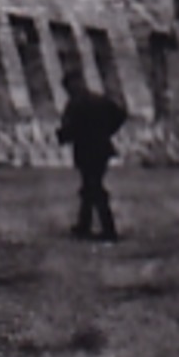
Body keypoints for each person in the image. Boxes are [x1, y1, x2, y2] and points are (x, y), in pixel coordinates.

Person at [56, 70, 126, 243]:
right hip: (102, 149)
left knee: (93, 188)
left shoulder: (74, 104)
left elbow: (69, 129)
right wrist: (107, 131)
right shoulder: (100, 99)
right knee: (90, 186)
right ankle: (84, 224)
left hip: (86, 150)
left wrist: (62, 136)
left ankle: (108, 229)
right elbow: (120, 115)